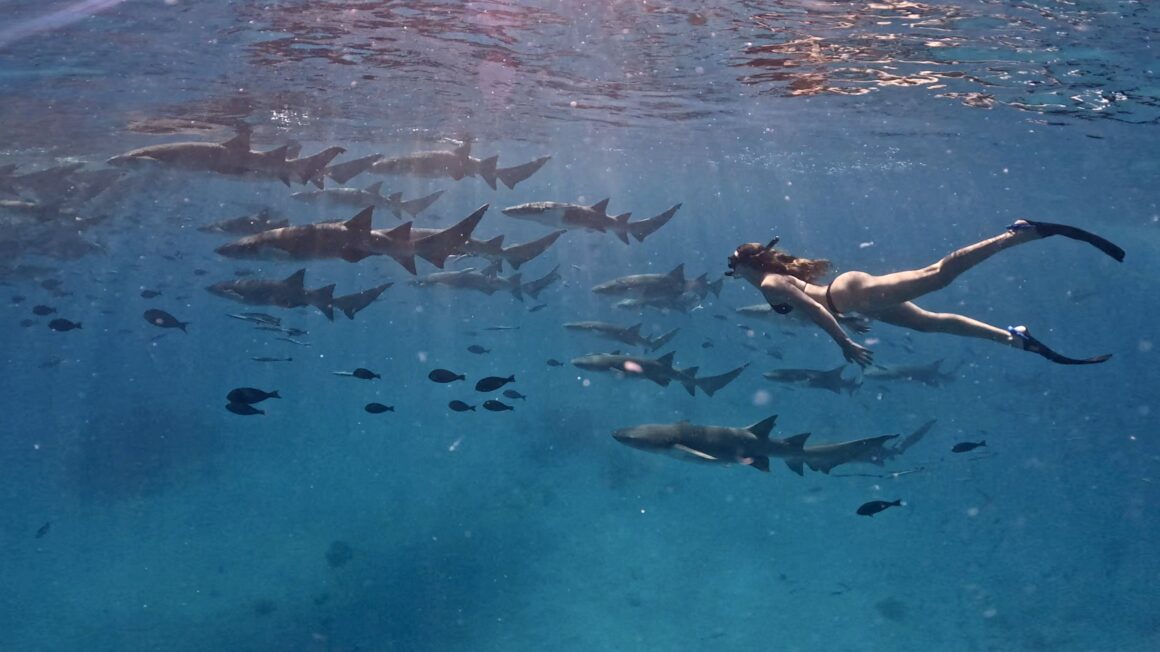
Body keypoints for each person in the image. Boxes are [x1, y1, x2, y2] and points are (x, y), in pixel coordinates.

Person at [726, 220, 1125, 367]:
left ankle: (1016, 235)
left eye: (733, 265)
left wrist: (843, 341)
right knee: (931, 325)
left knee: (937, 275)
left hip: (853, 293)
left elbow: (813, 312)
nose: (731, 271)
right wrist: (847, 320)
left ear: (748, 265)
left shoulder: (770, 284)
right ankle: (1014, 338)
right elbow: (814, 304)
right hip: (852, 299)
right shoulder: (770, 281)